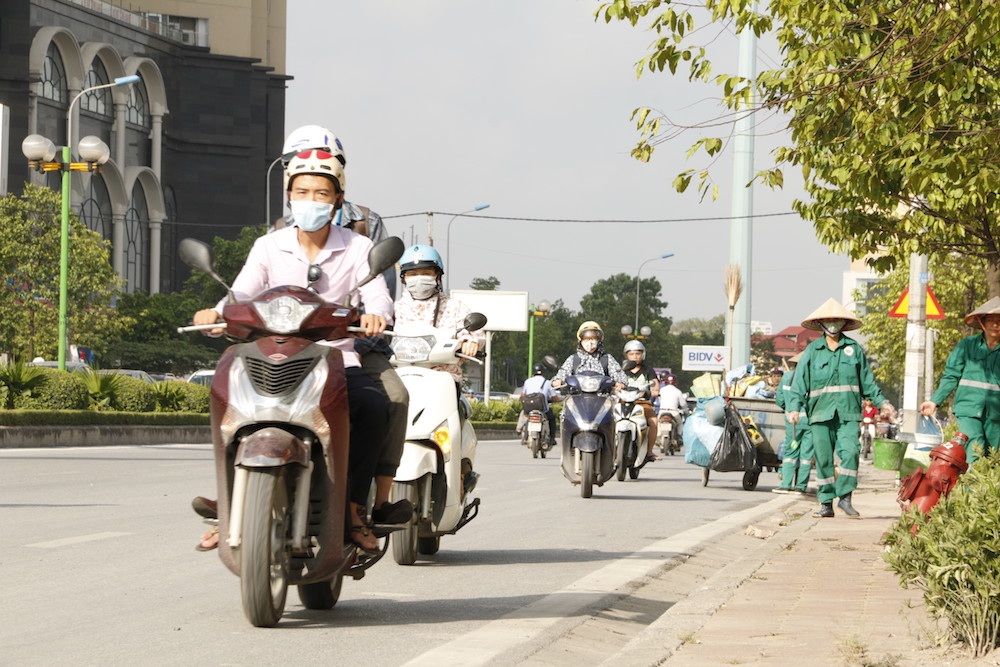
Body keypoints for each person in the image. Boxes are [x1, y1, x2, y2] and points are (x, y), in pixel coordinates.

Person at [191, 148, 391, 553]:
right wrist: (216, 312)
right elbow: (242, 292)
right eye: (302, 191)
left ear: (337, 199)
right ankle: (230, 504)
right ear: (289, 195)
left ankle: (354, 507)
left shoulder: (356, 248)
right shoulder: (269, 246)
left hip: (333, 356)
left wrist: (376, 317)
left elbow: (378, 295)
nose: (311, 200)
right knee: (226, 396)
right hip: (270, 353)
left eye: (321, 193)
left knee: (374, 406)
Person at [786, 298, 893, 519]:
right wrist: (794, 408)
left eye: (837, 320)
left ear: (844, 323)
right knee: (823, 459)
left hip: (848, 413)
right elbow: (799, 384)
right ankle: (826, 503)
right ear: (821, 323)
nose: (833, 323)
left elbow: (868, 382)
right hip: (820, 414)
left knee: (851, 452)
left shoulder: (853, 349)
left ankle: (845, 497)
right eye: (829, 320)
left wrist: (883, 403)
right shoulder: (813, 351)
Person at [921, 297, 1000, 463]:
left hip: (996, 412)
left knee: (994, 456)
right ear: (982, 322)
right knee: (975, 447)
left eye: (999, 321)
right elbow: (951, 375)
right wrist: (935, 401)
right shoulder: (967, 346)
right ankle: (972, 487)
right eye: (991, 320)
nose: (995, 325)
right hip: (968, 408)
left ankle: (984, 489)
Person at [392, 244, 486, 385]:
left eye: (426, 273)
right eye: (412, 274)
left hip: (444, 378)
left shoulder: (455, 307)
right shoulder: (394, 309)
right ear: (403, 278)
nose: (419, 278)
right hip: (401, 376)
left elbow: (474, 333)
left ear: (437, 276)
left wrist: (470, 342)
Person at [773, 354, 814, 495]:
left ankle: (786, 484)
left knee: (790, 452)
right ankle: (801, 486)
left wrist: (789, 408)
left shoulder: (787, 377)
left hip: (793, 421)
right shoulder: (813, 378)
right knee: (806, 455)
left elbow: (779, 399)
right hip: (810, 422)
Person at [551, 321, 628, 390]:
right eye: (586, 339)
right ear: (580, 341)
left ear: (599, 341)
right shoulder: (573, 359)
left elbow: (621, 377)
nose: (590, 343)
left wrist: (620, 384)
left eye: (593, 339)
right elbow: (562, 374)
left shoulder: (607, 359)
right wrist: (557, 381)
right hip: (576, 399)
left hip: (602, 399)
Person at [621, 340, 661, 464]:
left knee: (653, 422)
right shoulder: (622, 370)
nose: (634, 356)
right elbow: (614, 382)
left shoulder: (648, 369)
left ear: (642, 355)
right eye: (631, 354)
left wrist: (654, 391)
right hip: (623, 403)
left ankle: (649, 451)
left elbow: (656, 385)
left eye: (637, 354)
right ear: (626, 355)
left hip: (643, 403)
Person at [519, 362, 558, 447]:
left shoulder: (527, 381)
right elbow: (555, 397)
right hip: (542, 409)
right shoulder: (547, 382)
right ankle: (552, 438)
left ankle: (524, 437)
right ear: (543, 373)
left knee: (527, 418)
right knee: (552, 419)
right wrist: (558, 400)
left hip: (529, 408)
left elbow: (522, 395)